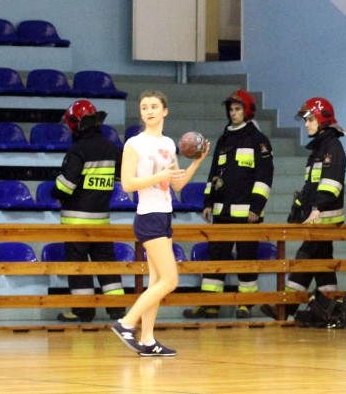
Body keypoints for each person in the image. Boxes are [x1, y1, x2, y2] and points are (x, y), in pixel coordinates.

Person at [109, 90, 209, 357]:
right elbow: (128, 184)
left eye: (154, 106)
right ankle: (126, 322)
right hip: (148, 216)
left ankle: (147, 339)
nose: (149, 111)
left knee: (156, 281)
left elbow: (177, 183)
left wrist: (197, 161)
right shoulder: (134, 144)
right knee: (170, 280)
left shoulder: (167, 143)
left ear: (165, 111)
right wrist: (158, 176)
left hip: (165, 214)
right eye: (144, 107)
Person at [183, 89, 274, 319]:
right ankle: (210, 304)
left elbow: (264, 177)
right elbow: (214, 173)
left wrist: (256, 207)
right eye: (231, 109)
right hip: (221, 213)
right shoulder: (224, 139)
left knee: (246, 258)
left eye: (237, 109)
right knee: (216, 258)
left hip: (247, 214)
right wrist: (207, 201)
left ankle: (246, 303)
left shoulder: (258, 140)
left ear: (248, 111)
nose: (233, 113)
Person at [260, 97, 346, 320]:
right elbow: (311, 185)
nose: (306, 124)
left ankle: (287, 307)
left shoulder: (331, 149)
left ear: (322, 120)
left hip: (323, 218)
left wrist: (316, 208)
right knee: (322, 263)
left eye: (310, 119)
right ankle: (331, 307)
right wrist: (301, 206)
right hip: (317, 216)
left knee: (305, 257)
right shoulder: (320, 148)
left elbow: (331, 184)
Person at [52, 99, 125, 323]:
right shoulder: (111, 148)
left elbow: (66, 185)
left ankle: (83, 311)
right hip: (102, 221)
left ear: (75, 124)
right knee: (106, 263)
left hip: (76, 222)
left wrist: (54, 191)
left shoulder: (78, 149)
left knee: (79, 266)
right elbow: (120, 177)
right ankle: (117, 309)